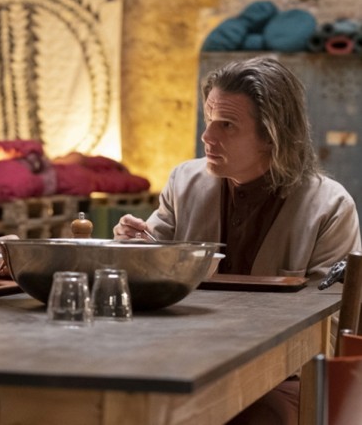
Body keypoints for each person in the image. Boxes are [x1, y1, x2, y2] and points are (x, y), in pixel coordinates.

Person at [114, 57, 361, 424]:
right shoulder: (184, 183)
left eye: (226, 125)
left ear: (272, 135)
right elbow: (148, 270)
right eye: (208, 120)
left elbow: (328, 330)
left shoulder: (329, 206)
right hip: (183, 363)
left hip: (284, 377)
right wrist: (130, 244)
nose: (207, 136)